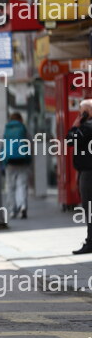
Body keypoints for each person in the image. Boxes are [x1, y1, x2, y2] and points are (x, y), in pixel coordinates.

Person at [67, 100, 92, 254]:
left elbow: (70, 139)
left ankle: (91, 242)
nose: (79, 114)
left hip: (88, 172)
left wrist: (76, 124)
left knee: (89, 207)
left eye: (81, 111)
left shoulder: (87, 127)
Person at [2, 112, 31, 219]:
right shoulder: (23, 128)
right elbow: (29, 142)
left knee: (10, 186)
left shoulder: (7, 129)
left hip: (10, 162)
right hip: (22, 160)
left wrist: (3, 160)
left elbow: (3, 145)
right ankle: (22, 205)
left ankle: (12, 210)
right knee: (21, 185)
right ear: (20, 119)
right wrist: (29, 158)